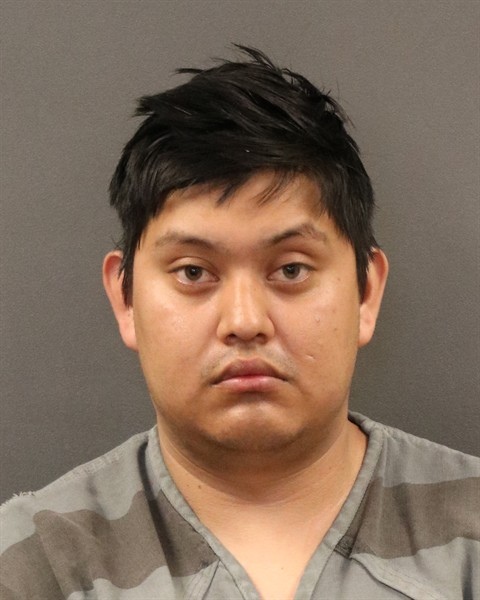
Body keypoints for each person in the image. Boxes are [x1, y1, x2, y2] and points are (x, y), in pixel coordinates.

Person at [1, 46, 478, 600]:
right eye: (193, 272)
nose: (245, 322)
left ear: (366, 292)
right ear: (125, 299)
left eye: (291, 270)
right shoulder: (33, 565)